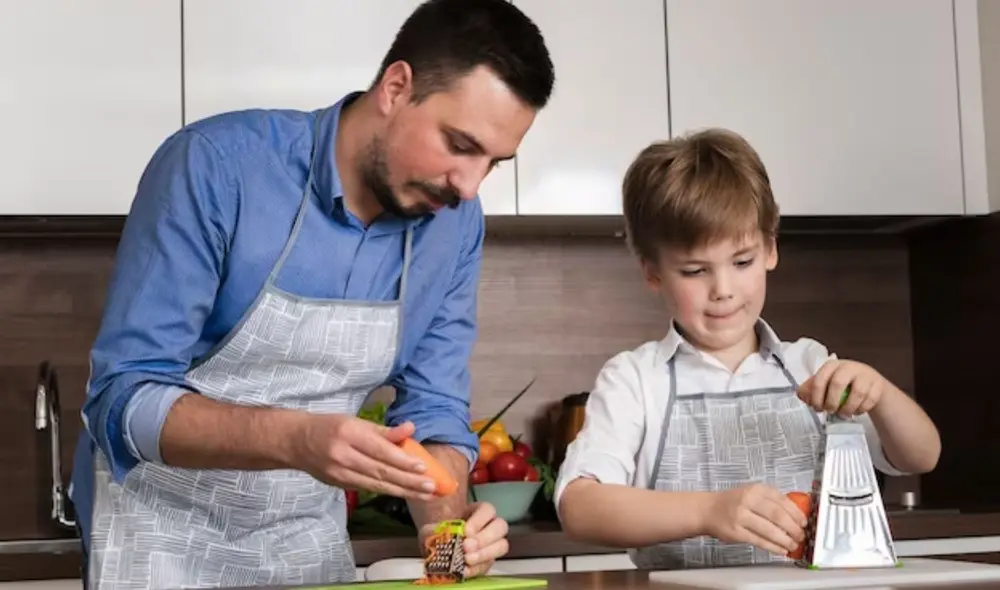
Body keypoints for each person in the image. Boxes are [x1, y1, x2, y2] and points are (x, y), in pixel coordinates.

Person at [67, 1, 555, 588]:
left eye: (494, 163)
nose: (469, 186)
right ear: (396, 88)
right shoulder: (217, 168)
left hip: (303, 544)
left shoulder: (455, 225)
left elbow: (433, 411)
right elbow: (122, 398)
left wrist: (447, 533)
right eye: (459, 144)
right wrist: (298, 438)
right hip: (160, 541)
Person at [553, 128, 941, 570]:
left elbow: (920, 456)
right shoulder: (636, 379)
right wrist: (707, 512)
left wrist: (882, 394)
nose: (723, 290)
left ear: (770, 249)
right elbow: (579, 507)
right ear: (653, 273)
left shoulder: (809, 364)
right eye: (695, 270)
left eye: (742, 262)